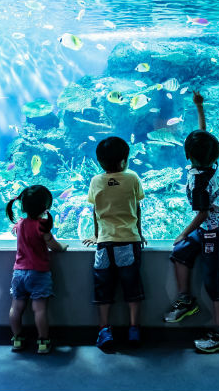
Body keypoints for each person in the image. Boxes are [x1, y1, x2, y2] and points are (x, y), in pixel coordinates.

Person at [163, 90, 219, 353]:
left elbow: (203, 213)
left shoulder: (199, 182)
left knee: (214, 283)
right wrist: (199, 107)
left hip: (215, 232)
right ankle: (185, 299)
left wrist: (183, 232)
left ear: (188, 156)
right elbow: (203, 135)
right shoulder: (210, 163)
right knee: (180, 254)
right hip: (206, 229)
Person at [83, 136, 146, 351]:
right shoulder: (132, 178)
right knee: (132, 288)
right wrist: (139, 232)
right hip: (129, 240)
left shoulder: (96, 181)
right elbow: (136, 208)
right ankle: (134, 329)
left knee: (103, 289)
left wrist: (96, 234)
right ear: (125, 159)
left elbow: (96, 209)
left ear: (100, 162)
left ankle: (104, 330)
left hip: (105, 244)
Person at [7, 185, 68, 354]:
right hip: (39, 273)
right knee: (39, 309)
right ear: (45, 207)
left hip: (19, 273)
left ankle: (17, 339)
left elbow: (18, 233)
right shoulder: (42, 226)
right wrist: (62, 247)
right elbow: (53, 245)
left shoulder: (20, 224)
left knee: (16, 307)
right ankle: (42, 341)